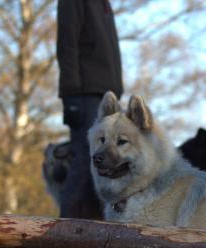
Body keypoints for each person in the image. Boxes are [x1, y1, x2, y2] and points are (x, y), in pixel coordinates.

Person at [56, 0, 123, 219]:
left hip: (107, 94)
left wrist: (117, 90)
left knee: (109, 165)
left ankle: (99, 231)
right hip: (84, 93)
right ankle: (64, 230)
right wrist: (71, 93)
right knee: (85, 159)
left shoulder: (104, 4)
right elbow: (66, 44)